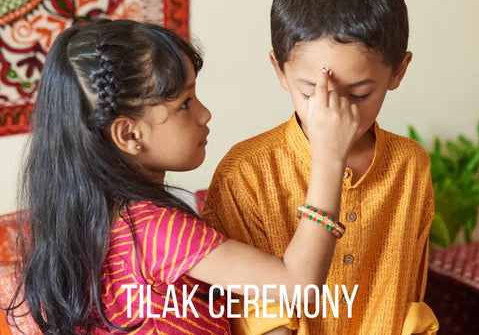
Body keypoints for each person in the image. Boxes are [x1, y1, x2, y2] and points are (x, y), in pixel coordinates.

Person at [7, 19, 359, 334]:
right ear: (129, 135)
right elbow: (297, 285)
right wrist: (329, 155)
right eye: (185, 103)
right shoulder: (152, 230)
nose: (205, 114)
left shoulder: (92, 226)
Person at [205, 0, 440, 335]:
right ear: (279, 70)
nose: (334, 111)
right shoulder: (246, 170)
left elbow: (404, 296)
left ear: (398, 71)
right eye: (311, 91)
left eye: (359, 94)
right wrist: (329, 157)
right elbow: (249, 308)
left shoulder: (410, 165)